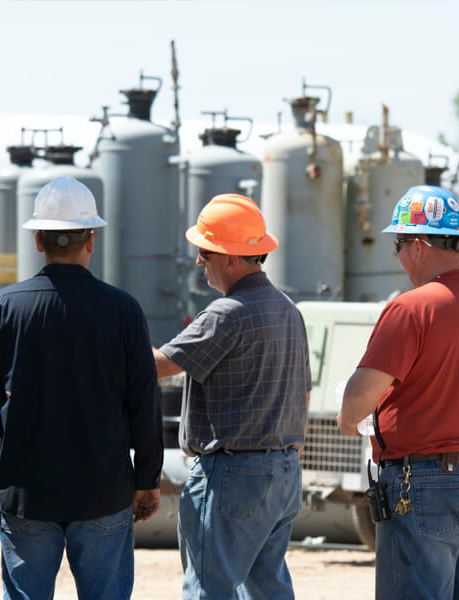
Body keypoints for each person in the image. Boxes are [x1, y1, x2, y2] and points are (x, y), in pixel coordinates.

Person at [0, 176, 163, 600]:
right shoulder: (124, 311)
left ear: (38, 240)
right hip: (103, 490)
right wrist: (147, 478)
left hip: (26, 490)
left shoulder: (4, 307)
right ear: (92, 240)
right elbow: (144, 401)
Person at [337, 185, 459, 600]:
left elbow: (360, 396)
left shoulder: (411, 308)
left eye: (397, 245)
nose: (398, 256)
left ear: (417, 245)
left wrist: (348, 420)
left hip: (425, 479)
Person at [152, 193, 311, 600]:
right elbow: (304, 395)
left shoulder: (227, 313)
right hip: (284, 472)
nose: (199, 261)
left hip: (233, 473)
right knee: (267, 589)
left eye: (205, 252)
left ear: (230, 258)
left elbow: (158, 366)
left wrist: (102, 345)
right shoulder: (289, 310)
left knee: (210, 588)